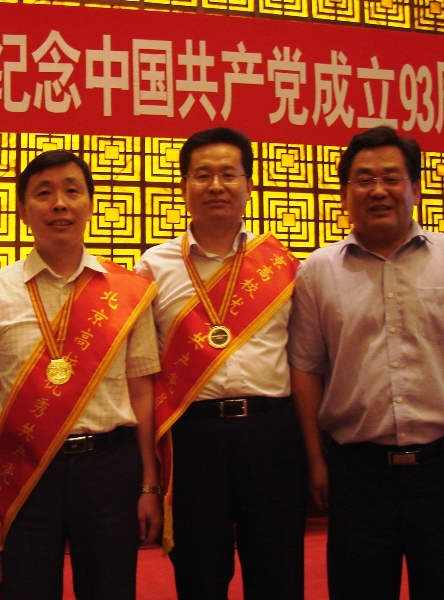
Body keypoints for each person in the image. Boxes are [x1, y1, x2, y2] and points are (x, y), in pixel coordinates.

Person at [288, 125, 444, 600]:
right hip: (357, 476)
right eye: (364, 179)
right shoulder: (317, 272)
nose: (378, 190)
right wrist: (315, 459)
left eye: (391, 178)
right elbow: (307, 371)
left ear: (415, 188)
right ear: (345, 194)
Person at [0, 150, 162, 600]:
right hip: (24, 468)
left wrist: (150, 482)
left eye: (72, 191)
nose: (59, 204)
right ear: (22, 210)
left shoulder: (128, 292)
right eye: (43, 193)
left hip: (109, 469)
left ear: (90, 204)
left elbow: (142, 391)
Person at [135, 127, 307, 600]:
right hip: (193, 439)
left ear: (249, 185)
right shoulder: (154, 267)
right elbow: (143, 372)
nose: (216, 186)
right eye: (202, 175)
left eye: (229, 174)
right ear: (184, 186)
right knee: (200, 575)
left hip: (271, 434)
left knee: (277, 574)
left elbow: (303, 359)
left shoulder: (282, 263)